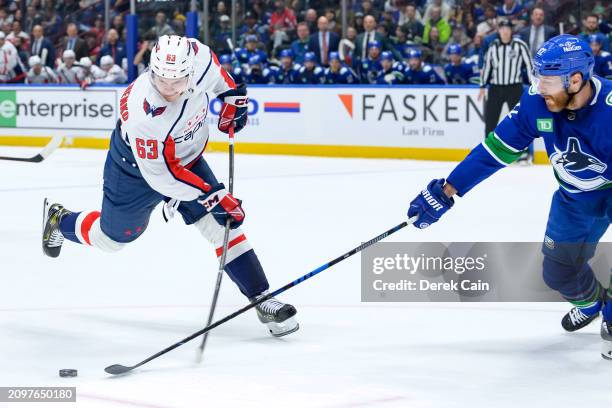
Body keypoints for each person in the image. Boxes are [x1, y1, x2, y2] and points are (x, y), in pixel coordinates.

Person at [42, 35, 299, 338]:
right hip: (134, 170)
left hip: (186, 159)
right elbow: (163, 177)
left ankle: (261, 298)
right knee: (112, 240)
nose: (168, 89)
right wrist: (213, 196)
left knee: (223, 225)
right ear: (151, 70)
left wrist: (231, 97)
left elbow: (219, 77)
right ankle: (60, 219)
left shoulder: (198, 56)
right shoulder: (143, 113)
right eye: (161, 80)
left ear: (189, 72)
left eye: (176, 82)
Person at [407, 35, 612, 358]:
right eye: (538, 77)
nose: (539, 87)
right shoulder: (536, 102)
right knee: (557, 272)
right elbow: (494, 151)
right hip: (574, 199)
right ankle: (591, 302)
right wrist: (448, 189)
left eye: (547, 80)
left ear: (576, 79)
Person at [479, 20, 532, 142]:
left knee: (519, 120)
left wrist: (532, 84)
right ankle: (488, 150)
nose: (505, 31)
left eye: (507, 28)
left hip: (514, 88)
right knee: (490, 120)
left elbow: (529, 65)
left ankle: (523, 152)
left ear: (511, 30)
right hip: (495, 88)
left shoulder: (520, 45)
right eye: (502, 28)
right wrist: (482, 85)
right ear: (498, 30)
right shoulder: (493, 46)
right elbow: (487, 67)